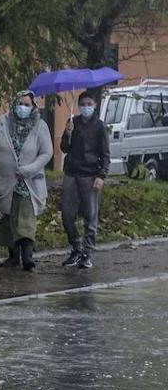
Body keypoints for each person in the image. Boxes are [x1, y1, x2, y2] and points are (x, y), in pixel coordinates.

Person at [0, 89, 54, 271]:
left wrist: (30, 169)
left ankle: (28, 258)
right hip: (6, 180)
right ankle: (13, 256)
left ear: (33, 107)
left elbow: (47, 152)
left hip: (28, 182)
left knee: (25, 218)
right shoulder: (2, 123)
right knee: (8, 217)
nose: (23, 107)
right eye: (20, 103)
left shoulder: (40, 126)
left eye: (27, 104)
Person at [59, 90, 111, 269]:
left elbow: (105, 154)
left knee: (90, 215)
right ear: (79, 105)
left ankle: (87, 252)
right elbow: (64, 148)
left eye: (90, 104)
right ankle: (76, 247)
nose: (86, 107)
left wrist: (101, 175)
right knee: (66, 215)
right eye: (83, 104)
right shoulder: (73, 122)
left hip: (90, 174)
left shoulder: (100, 127)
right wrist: (67, 133)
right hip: (72, 172)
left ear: (95, 106)